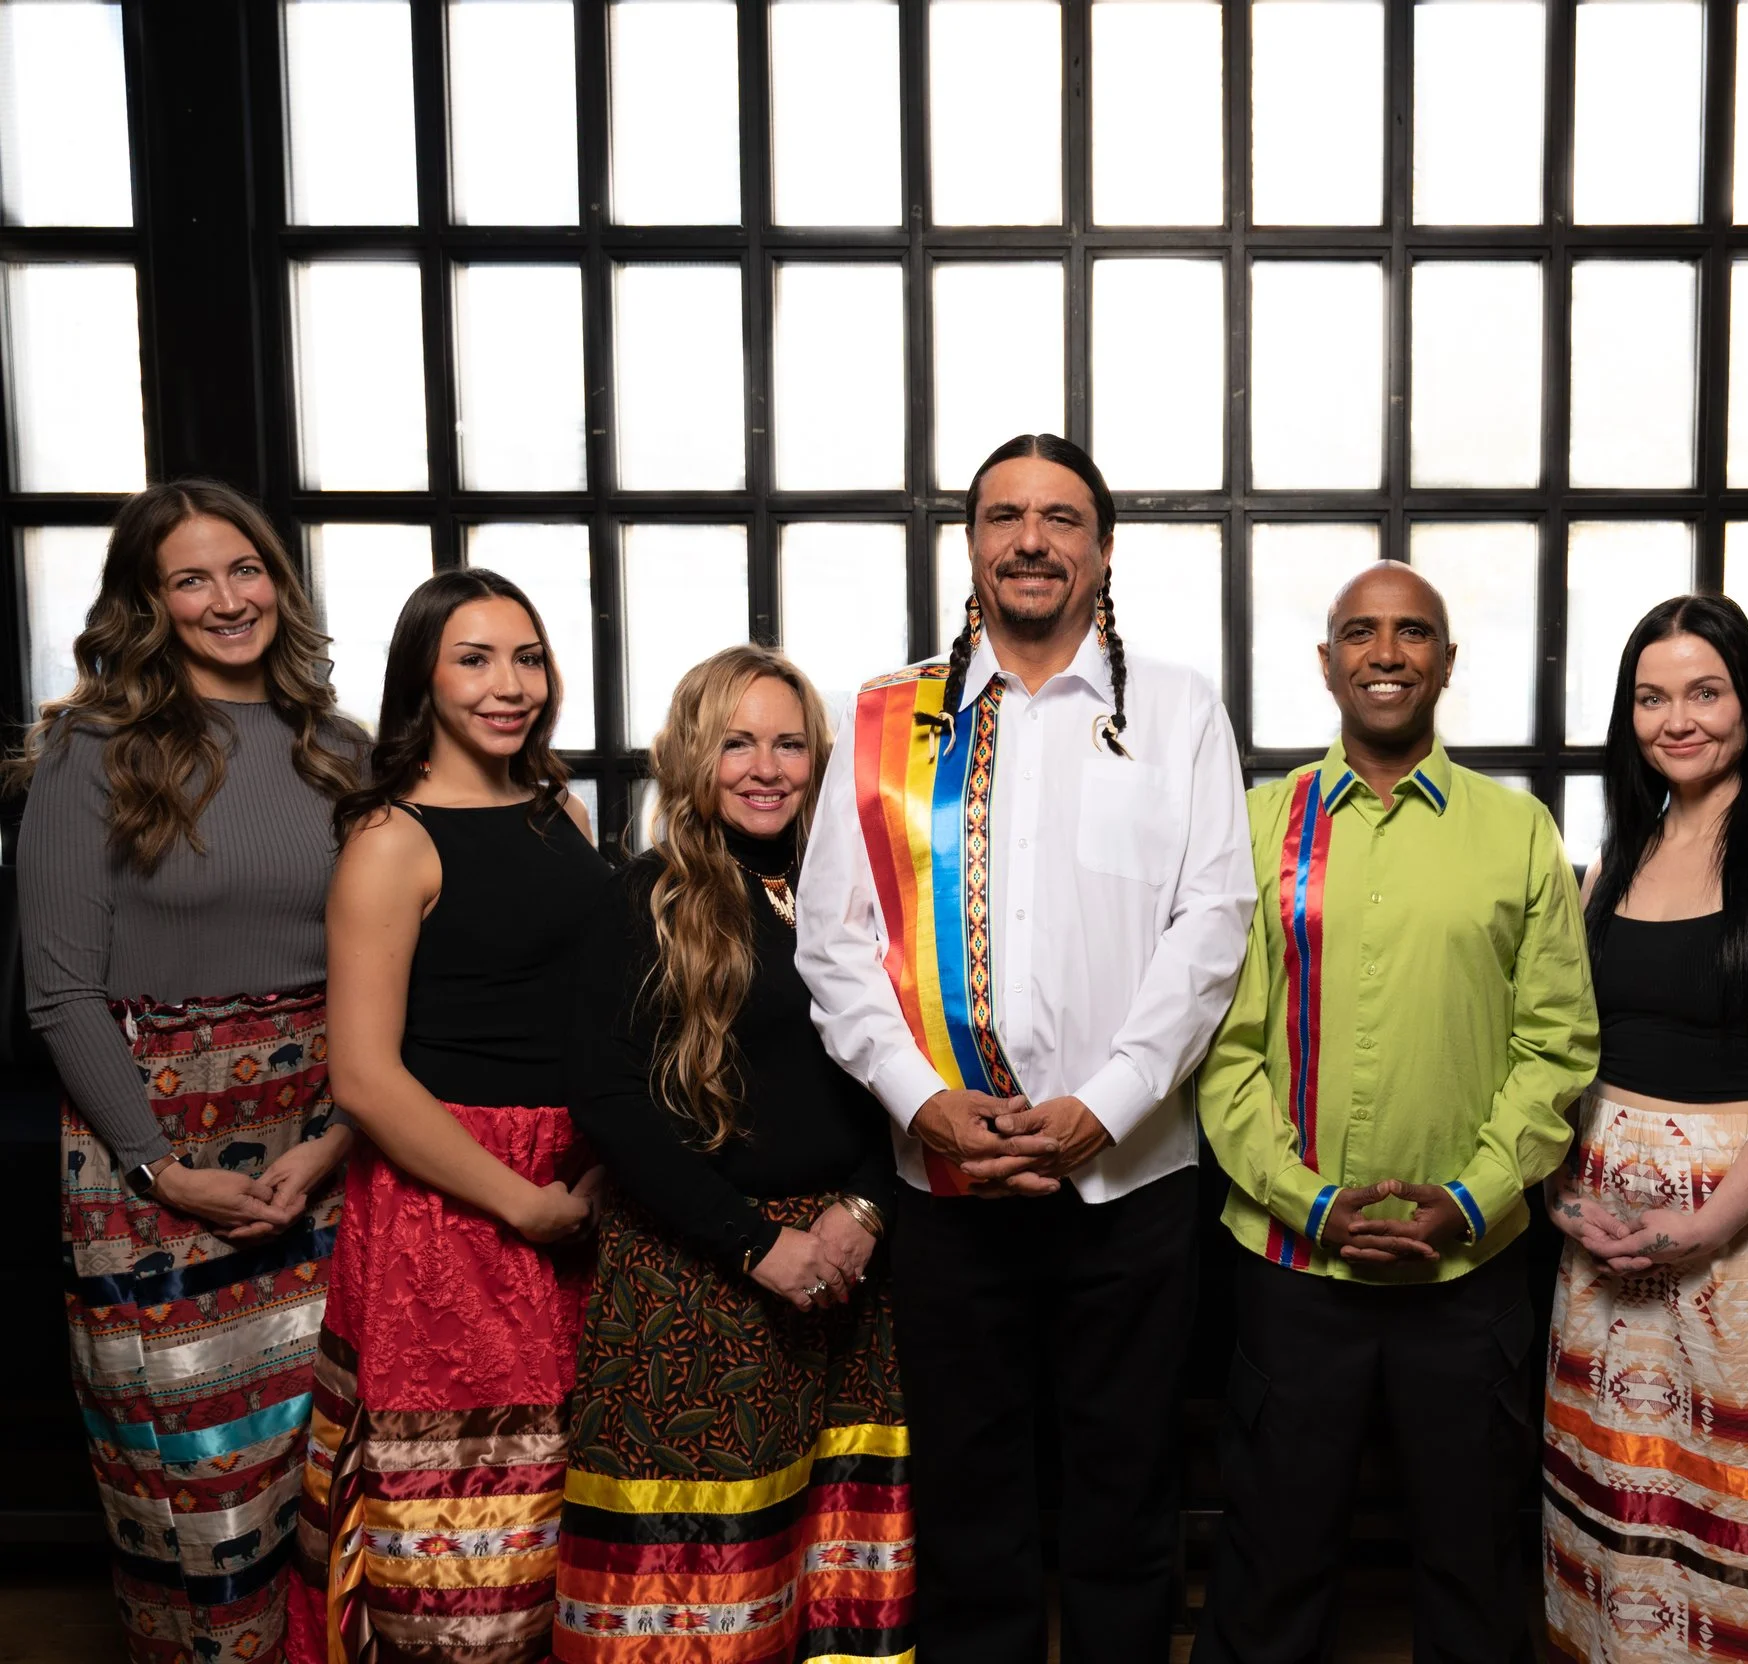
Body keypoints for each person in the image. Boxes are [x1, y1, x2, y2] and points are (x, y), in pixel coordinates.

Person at [792, 433, 1255, 1664]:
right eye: (1005, 515)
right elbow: (833, 942)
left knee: (1127, 1493)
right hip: (948, 1180)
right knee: (970, 1501)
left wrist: (1109, 1099)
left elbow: (1213, 923)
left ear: (1102, 549)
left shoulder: (1177, 708)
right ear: (972, 544)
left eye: (1061, 517)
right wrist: (921, 1101)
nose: (1031, 539)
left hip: (1129, 1182)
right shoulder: (885, 718)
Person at [1196, 561, 1601, 1664]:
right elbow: (1222, 1049)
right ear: (1326, 662)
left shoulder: (1517, 831)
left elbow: (1557, 1044)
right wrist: (1308, 1200)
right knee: (1272, 1564)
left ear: (1447, 661)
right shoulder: (1257, 825)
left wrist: (1471, 1199)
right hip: (1291, 1265)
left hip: (1466, 1271)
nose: (1386, 653)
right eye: (1361, 633)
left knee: (1474, 1566)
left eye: (1412, 632)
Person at [16, 480, 366, 1662]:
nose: (227, 599)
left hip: (324, 1155)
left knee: (328, 1482)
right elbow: (60, 991)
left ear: (279, 579)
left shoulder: (342, 749)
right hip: (152, 1169)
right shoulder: (93, 751)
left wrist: (336, 1142)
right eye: (191, 579)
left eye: (245, 568)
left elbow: (395, 970)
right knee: (197, 1495)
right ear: (148, 603)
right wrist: (161, 1167)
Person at [556, 646, 909, 1660]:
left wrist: (866, 1208)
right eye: (736, 743)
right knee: (697, 1587)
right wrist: (754, 1243)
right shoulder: (645, 897)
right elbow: (608, 1100)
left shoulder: (858, 895)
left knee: (834, 1566)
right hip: (695, 1276)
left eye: (789, 744)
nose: (765, 768)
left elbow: (907, 1072)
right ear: (691, 756)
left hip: (848, 1274)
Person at [286, 569, 609, 1663]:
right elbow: (365, 1078)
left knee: (567, 1504)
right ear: (421, 677)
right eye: (474, 659)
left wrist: (599, 1165)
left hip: (578, 1181)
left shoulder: (559, 810)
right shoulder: (391, 839)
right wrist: (523, 1202)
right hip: (455, 1201)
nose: (510, 685)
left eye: (528, 657)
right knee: (459, 1532)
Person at [1541, 595, 1748, 1664]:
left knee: (1740, 1499)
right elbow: (1570, 1053)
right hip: (1602, 1229)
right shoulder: (1614, 860)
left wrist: (1706, 1224)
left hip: (1743, 1230)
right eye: (1651, 697)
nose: (1676, 719)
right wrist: (1562, 1196)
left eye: (1703, 692)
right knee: (1616, 1494)